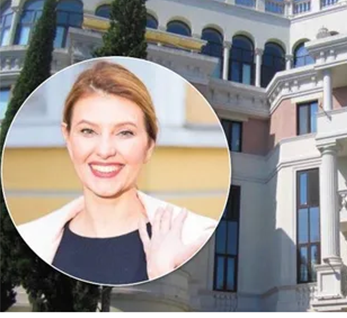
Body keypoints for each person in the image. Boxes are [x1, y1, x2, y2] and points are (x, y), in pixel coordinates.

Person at [15, 60, 217, 286]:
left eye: (125, 133)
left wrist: (163, 272)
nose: (105, 151)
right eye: (88, 131)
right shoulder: (33, 237)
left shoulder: (193, 235)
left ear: (149, 145)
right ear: (68, 138)